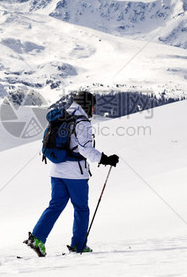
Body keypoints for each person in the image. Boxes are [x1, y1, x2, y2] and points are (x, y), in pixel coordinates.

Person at [25, 91, 119, 256]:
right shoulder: (82, 122)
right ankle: (78, 245)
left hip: (56, 170)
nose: (93, 110)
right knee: (81, 208)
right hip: (75, 173)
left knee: (55, 206)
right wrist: (105, 159)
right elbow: (85, 149)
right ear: (87, 105)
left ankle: (37, 238)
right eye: (93, 106)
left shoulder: (62, 116)